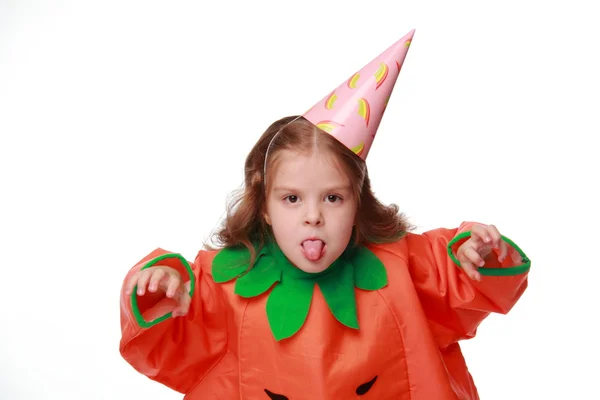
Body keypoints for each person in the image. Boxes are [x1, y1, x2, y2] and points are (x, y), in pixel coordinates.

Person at [119, 29, 531, 399]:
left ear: (357, 201)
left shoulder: (406, 267)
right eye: (292, 199)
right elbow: (171, 339)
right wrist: (162, 286)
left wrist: (477, 254)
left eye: (332, 198)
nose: (312, 216)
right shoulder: (222, 288)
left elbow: (458, 281)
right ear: (263, 205)